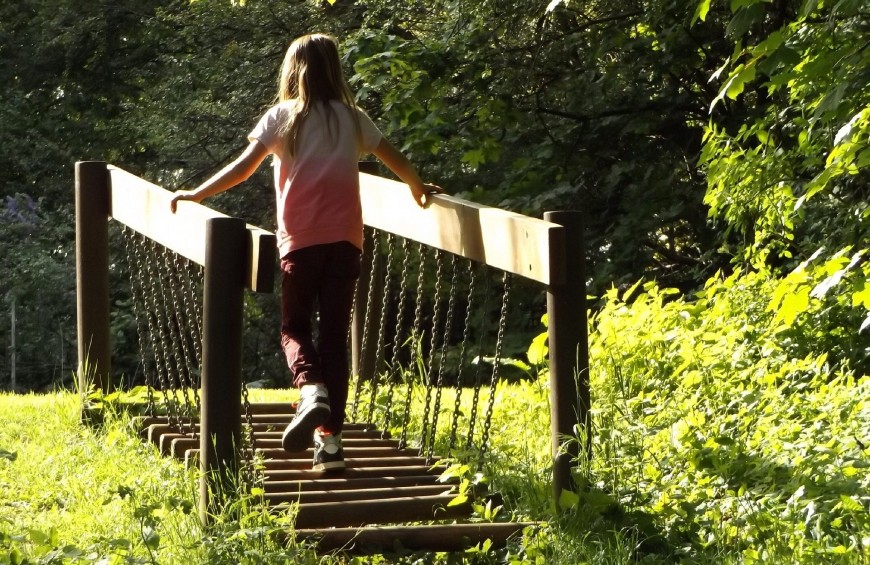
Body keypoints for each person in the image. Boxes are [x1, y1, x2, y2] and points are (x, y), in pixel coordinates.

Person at [170, 33, 442, 472]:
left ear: (292, 71)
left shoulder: (282, 118)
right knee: (334, 338)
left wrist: (196, 194)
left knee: (294, 329)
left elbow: (242, 169)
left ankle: (310, 388)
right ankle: (330, 446)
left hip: (300, 242)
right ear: (334, 70)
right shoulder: (353, 119)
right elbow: (398, 161)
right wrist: (417, 188)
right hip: (346, 243)